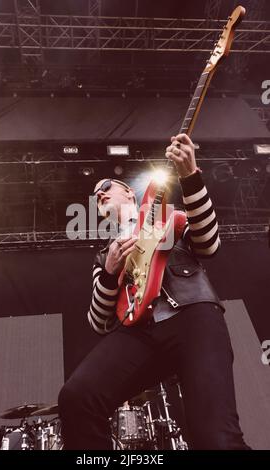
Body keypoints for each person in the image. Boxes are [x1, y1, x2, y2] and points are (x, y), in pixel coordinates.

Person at [58, 133, 250, 450]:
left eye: (105, 187)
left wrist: (190, 177)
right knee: (78, 397)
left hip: (191, 316)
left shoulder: (168, 216)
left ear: (130, 195)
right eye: (93, 196)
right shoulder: (104, 256)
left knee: (216, 438)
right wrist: (109, 274)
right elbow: (98, 322)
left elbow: (209, 244)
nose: (98, 195)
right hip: (139, 331)